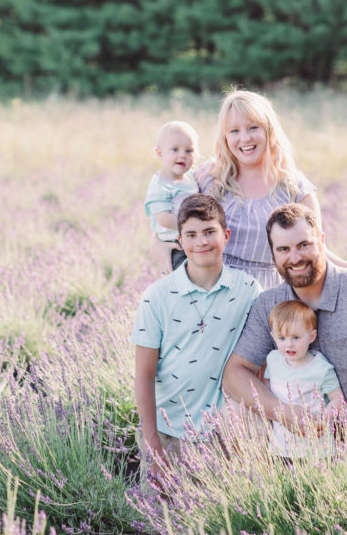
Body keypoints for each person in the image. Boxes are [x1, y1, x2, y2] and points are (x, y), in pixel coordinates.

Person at [223, 203, 347, 475]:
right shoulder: (269, 304)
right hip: (304, 437)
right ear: (272, 254)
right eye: (283, 249)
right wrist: (281, 412)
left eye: (303, 245)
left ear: (321, 240)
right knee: (235, 418)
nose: (294, 258)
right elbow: (234, 374)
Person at [131, 194, 262, 491]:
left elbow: (259, 364)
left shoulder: (248, 291)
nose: (201, 241)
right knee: (160, 517)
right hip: (168, 431)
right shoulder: (157, 297)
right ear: (180, 240)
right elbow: (143, 374)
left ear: (225, 236)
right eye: (191, 234)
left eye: (209, 232)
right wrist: (153, 444)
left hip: (225, 434)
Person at [197, 89, 347, 288]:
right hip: (213, 289)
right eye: (234, 131)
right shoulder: (208, 177)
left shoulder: (294, 187)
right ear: (225, 138)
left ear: (269, 131)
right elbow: (170, 228)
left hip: (268, 294)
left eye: (253, 127)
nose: (244, 138)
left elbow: (316, 248)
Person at [264, 299, 346, 459]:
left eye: (296, 337)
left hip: (317, 447)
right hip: (281, 445)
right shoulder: (273, 360)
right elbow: (266, 387)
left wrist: (325, 419)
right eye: (281, 338)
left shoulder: (320, 367)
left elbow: (337, 398)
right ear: (273, 337)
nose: (289, 344)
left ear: (311, 336)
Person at [145, 121, 200, 275]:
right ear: (160, 153)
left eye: (189, 151)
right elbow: (163, 218)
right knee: (183, 281)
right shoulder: (160, 184)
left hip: (192, 240)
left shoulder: (190, 177)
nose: (182, 155)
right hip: (175, 246)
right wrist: (194, 227)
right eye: (175, 149)